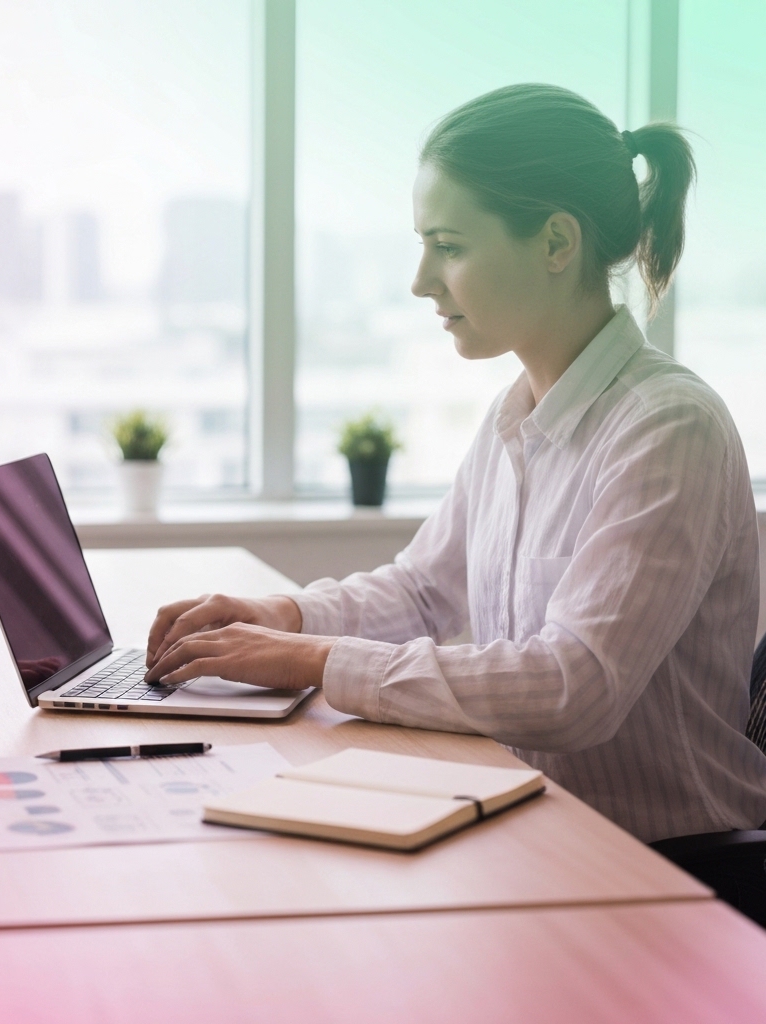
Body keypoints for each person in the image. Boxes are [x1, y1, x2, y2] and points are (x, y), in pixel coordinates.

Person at [144, 83, 766, 844]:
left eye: (449, 246)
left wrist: (310, 658)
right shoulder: (516, 414)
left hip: (667, 862)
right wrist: (285, 616)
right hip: (536, 828)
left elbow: (576, 687)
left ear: (556, 243)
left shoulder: (669, 430)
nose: (421, 281)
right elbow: (425, 592)